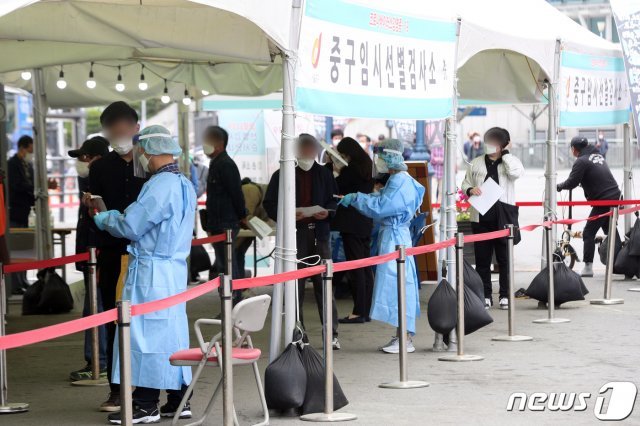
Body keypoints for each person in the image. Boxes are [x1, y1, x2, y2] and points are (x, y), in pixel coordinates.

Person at [93, 125, 196, 424]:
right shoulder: (184, 183)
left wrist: (104, 217)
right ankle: (180, 399)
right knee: (173, 334)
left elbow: (132, 226)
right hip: (173, 270)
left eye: (141, 151)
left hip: (151, 272)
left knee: (146, 337)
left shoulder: (159, 185)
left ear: (149, 151)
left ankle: (145, 403)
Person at [84, 101, 147, 412]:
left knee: (147, 319)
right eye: (113, 132)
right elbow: (93, 211)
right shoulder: (99, 167)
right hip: (111, 253)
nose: (119, 136)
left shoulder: (148, 163)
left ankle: (148, 391)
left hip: (144, 255)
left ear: (136, 129)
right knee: (113, 319)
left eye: (124, 130)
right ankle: (117, 389)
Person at [339, 139, 425, 354]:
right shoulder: (400, 180)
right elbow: (385, 200)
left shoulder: (399, 181)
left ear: (390, 157)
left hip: (395, 238)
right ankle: (402, 335)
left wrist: (357, 198)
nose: (377, 161)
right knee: (397, 285)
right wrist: (366, 197)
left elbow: (382, 207)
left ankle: (404, 337)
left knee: (398, 285)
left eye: (380, 156)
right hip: (396, 236)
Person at [263, 134, 341, 349]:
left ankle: (331, 333)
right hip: (294, 235)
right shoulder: (282, 174)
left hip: (319, 233)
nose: (307, 152)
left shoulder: (325, 174)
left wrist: (327, 212)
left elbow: (334, 200)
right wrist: (286, 215)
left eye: (311, 149)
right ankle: (298, 333)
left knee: (324, 285)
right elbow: (269, 202)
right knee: (294, 285)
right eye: (303, 148)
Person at [461, 128, 524, 310]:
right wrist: (470, 190)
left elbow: (515, 172)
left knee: (504, 258)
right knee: (482, 259)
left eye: (495, 143)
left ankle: (505, 295)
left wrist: (506, 154)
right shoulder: (476, 162)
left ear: (503, 145)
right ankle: (485, 295)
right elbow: (466, 182)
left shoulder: (510, 162)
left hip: (504, 214)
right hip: (481, 216)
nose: (491, 146)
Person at [68, 136, 109, 382]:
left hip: (98, 253)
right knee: (94, 306)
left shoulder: (101, 181)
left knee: (96, 308)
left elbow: (100, 220)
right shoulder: (89, 181)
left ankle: (98, 361)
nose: (80, 162)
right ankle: (97, 360)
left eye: (84, 157)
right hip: (91, 253)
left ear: (96, 157)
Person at [557, 136, 621, 277]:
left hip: (604, 201)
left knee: (588, 232)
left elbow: (572, 182)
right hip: (615, 197)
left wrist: (559, 186)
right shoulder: (597, 156)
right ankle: (619, 263)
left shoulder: (581, 161)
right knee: (610, 232)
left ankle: (588, 267)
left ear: (574, 149)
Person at [202, 126, 247, 303]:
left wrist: (242, 215)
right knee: (224, 265)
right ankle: (229, 305)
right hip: (217, 222)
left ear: (219, 144)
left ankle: (234, 304)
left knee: (228, 266)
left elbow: (237, 193)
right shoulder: (216, 163)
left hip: (226, 223)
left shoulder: (226, 164)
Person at [333, 137, 375, 324]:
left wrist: (334, 169)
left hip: (351, 223)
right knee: (365, 268)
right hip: (365, 221)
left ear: (347, 153)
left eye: (342, 154)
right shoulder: (367, 166)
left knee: (355, 268)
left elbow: (336, 187)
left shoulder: (351, 170)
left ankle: (358, 312)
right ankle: (367, 310)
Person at [7, 135, 58, 227]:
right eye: (30, 151)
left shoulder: (29, 165)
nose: (32, 154)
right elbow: (17, 185)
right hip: (17, 210)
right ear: (22, 148)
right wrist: (39, 186)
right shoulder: (12, 164)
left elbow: (32, 183)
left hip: (29, 209)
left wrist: (45, 185)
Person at [235, 177, 270, 278]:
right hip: (236, 231)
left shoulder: (256, 191)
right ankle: (239, 290)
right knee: (236, 257)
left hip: (241, 231)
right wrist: (265, 227)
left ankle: (240, 289)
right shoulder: (251, 190)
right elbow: (245, 217)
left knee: (238, 256)